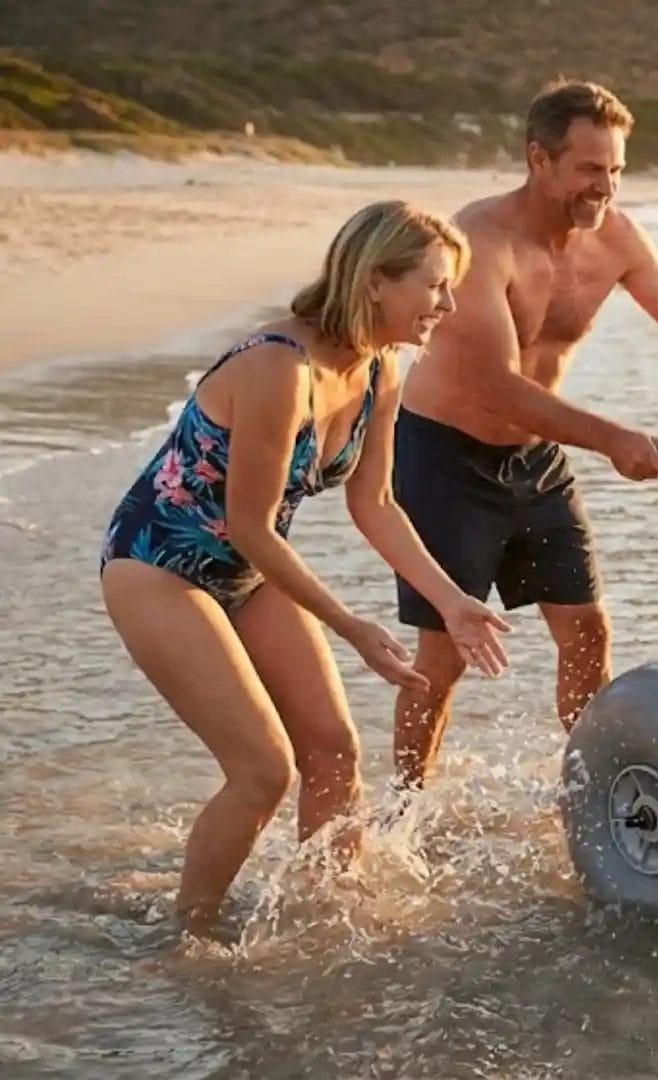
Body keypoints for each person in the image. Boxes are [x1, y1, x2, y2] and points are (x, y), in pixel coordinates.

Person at [99, 201, 512, 935]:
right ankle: (188, 940)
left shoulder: (382, 372)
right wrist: (352, 626)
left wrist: (450, 602)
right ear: (376, 282)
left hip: (242, 569)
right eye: (435, 285)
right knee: (262, 769)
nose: (447, 304)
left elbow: (376, 503)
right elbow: (252, 526)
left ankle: (324, 920)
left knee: (334, 749)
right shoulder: (277, 368)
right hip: (157, 562)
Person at [390, 81, 658, 789]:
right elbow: (496, 384)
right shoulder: (480, 242)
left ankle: (593, 793)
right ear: (539, 158)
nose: (605, 187)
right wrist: (614, 439)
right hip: (445, 458)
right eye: (590, 169)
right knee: (443, 655)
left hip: (536, 458)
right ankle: (404, 808)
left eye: (615, 170)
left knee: (587, 630)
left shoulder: (614, 236)